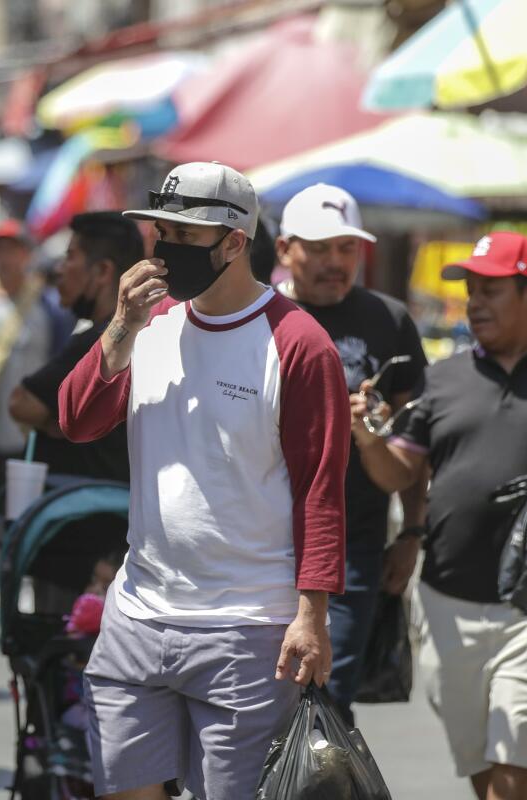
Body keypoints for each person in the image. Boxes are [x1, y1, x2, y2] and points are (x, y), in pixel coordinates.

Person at [59, 162, 350, 799]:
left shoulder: (299, 342)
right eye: (160, 233)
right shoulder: (148, 321)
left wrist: (312, 613)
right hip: (138, 614)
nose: (166, 250)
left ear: (235, 243)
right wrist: (120, 327)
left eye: (185, 236)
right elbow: (77, 420)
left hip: (248, 627)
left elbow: (320, 488)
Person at [357, 231, 527, 800]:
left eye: (490, 290)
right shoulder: (443, 378)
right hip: (446, 600)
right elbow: (398, 472)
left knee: (515, 771)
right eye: (470, 290)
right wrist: (366, 438)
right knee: (484, 768)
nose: (474, 303)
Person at [274, 183, 428, 723]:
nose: (335, 263)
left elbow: (415, 442)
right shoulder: (255, 316)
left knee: (324, 703)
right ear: (284, 249)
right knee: (259, 705)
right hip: (258, 541)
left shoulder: (390, 322)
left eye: (346, 248)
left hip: (351, 547)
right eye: (318, 248)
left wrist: (410, 533)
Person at [0, 219, 71, 620]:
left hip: (28, 430)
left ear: (26, 254)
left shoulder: (47, 306)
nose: (4, 257)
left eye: (12, 249)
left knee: (24, 508)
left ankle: (21, 578)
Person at [8, 211, 141, 484]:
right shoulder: (150, 333)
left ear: (103, 270)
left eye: (70, 257)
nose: (59, 269)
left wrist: (63, 423)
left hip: (77, 511)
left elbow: (22, 404)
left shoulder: (100, 339)